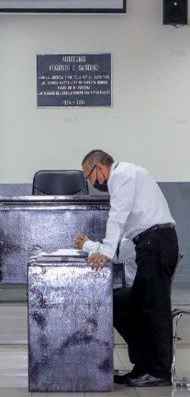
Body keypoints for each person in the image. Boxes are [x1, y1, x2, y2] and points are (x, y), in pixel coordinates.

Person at [74, 149, 177, 387]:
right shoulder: (131, 178)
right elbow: (128, 243)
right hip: (151, 245)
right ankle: (143, 365)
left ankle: (159, 372)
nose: (91, 183)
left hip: (157, 244)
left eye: (89, 177)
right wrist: (101, 249)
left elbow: (117, 217)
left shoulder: (122, 175)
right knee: (126, 304)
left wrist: (105, 253)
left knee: (154, 310)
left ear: (99, 168)